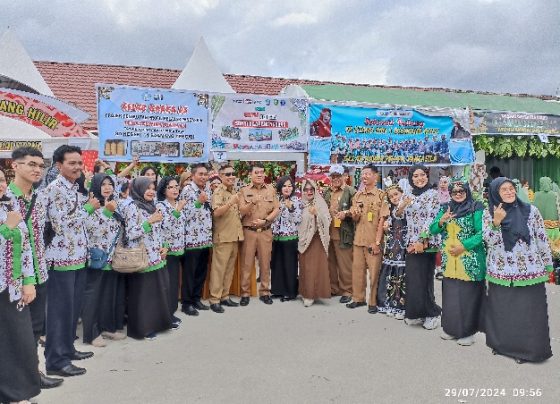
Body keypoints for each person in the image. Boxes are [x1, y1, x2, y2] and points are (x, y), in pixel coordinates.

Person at [6, 147, 63, 389]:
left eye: (40, 165)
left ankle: (33, 373)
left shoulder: (38, 199)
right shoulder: (5, 199)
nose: (37, 169)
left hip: (40, 273)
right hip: (14, 279)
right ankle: (15, 382)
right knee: (14, 334)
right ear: (14, 166)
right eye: (31, 164)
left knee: (35, 329)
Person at [44, 145, 100, 377]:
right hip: (61, 259)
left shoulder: (75, 188)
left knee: (72, 310)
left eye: (79, 163)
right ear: (59, 165)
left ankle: (67, 349)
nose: (77, 167)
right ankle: (56, 360)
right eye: (72, 163)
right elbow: (61, 223)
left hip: (77, 257)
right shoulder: (55, 189)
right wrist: (88, 209)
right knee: (60, 312)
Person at [483, 177, 553, 363]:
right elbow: (488, 242)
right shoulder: (489, 213)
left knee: (528, 313)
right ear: (495, 193)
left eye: (511, 188)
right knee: (504, 312)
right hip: (501, 272)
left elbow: (541, 239)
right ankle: (504, 346)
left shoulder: (531, 211)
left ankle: (528, 351)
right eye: (503, 189)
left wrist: (548, 265)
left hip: (530, 271)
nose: (509, 192)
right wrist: (496, 223)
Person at [0, 166, 41, 403]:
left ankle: (17, 392)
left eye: (2, 180)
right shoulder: (11, 217)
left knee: (19, 341)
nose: (1, 185)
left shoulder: (9, 208)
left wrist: (29, 282)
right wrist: (7, 228)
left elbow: (25, 249)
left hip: (13, 289)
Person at [429, 178, 486, 346]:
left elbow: (482, 233)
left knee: (469, 298)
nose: (458, 194)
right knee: (451, 297)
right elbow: (433, 229)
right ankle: (451, 329)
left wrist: (464, 246)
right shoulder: (446, 207)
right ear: (450, 193)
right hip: (450, 261)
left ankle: (468, 333)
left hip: (470, 261)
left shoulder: (476, 207)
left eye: (462, 191)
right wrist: (441, 221)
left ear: (467, 192)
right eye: (454, 192)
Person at [123, 177, 174, 339]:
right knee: (143, 296)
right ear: (138, 189)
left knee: (156, 293)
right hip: (142, 257)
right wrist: (149, 222)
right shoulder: (132, 207)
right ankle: (142, 329)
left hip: (157, 256)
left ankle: (157, 324)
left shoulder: (154, 206)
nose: (151, 191)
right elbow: (130, 234)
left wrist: (165, 245)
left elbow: (161, 230)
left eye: (153, 188)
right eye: (147, 188)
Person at [400, 165, 442, 330]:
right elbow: (398, 214)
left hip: (426, 243)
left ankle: (432, 313)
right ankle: (416, 312)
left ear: (427, 176)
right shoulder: (408, 194)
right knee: (413, 279)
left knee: (424, 279)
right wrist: (403, 205)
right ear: (411, 178)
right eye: (416, 176)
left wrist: (422, 240)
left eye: (422, 175)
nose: (419, 178)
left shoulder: (433, 194)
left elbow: (432, 218)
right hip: (411, 242)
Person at [82, 174, 121, 348]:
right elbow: (91, 229)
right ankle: (91, 333)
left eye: (110, 184)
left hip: (111, 258)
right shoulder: (92, 204)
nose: (107, 187)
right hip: (96, 257)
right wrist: (107, 212)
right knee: (93, 297)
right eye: (103, 184)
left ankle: (106, 327)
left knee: (107, 296)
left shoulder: (113, 203)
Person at [346, 164, 387, 313]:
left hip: (373, 242)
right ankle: (358, 298)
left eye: (368, 174)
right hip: (358, 240)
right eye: (363, 174)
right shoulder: (357, 195)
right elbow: (355, 219)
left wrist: (377, 242)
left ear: (376, 176)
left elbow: (383, 221)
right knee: (357, 271)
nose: (364, 176)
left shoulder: (382, 195)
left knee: (375, 273)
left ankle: (373, 301)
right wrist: (354, 214)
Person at [238, 164, 280, 306]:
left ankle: (265, 292)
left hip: (265, 231)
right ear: (251, 175)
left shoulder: (270, 189)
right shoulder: (244, 190)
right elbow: (241, 211)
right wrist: (251, 203)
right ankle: (245, 293)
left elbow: (276, 209)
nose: (260, 175)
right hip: (249, 232)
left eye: (262, 172)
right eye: (256, 172)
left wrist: (265, 220)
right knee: (246, 263)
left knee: (265, 263)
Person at [208, 165, 244, 313]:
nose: (231, 176)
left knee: (229, 270)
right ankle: (214, 299)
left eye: (233, 174)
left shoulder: (234, 191)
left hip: (234, 236)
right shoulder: (218, 192)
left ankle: (224, 296)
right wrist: (230, 202)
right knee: (219, 270)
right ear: (221, 176)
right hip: (222, 237)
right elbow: (216, 212)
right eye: (228, 174)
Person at [180, 163, 213, 316]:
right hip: (192, 240)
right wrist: (198, 202)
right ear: (193, 175)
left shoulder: (206, 189)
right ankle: (186, 303)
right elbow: (184, 215)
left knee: (201, 271)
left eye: (205, 174)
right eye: (200, 174)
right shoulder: (187, 190)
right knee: (190, 273)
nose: (203, 177)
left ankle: (196, 298)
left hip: (205, 238)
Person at [156, 176, 186, 323]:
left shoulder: (177, 203)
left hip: (179, 248)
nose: (175, 189)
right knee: (168, 284)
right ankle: (166, 314)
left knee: (174, 282)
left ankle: (171, 312)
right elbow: (164, 226)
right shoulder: (161, 205)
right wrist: (178, 210)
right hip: (167, 250)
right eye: (171, 187)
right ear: (163, 190)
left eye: (176, 186)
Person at [324, 165, 355, 304]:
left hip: (344, 233)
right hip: (328, 234)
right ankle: (334, 288)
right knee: (330, 263)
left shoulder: (351, 192)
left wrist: (346, 213)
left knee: (345, 264)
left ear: (344, 177)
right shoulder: (326, 192)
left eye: (338, 176)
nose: (335, 179)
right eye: (333, 176)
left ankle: (347, 290)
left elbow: (356, 209)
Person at [298, 179, 331, 307]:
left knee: (316, 268)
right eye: (306, 189)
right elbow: (297, 221)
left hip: (317, 238)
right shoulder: (301, 203)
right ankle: (305, 293)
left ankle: (312, 295)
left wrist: (317, 213)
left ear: (315, 190)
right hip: (304, 239)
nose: (309, 191)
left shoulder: (320, 202)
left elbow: (328, 219)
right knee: (305, 268)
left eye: (311, 189)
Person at [377, 182, 407, 320]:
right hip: (392, 247)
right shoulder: (390, 211)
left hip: (404, 247)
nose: (394, 198)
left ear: (402, 193)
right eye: (391, 196)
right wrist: (386, 228)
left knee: (402, 276)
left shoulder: (408, 208)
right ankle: (389, 304)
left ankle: (401, 306)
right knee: (391, 274)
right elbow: (389, 228)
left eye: (396, 194)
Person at [270, 176, 302, 302]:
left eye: (289, 186)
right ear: (280, 187)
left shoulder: (296, 201)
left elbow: (298, 219)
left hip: (290, 237)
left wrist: (291, 208)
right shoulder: (277, 200)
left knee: (289, 265)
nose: (287, 188)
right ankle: (278, 290)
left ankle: (290, 292)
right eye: (284, 186)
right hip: (277, 237)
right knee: (277, 264)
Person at [532, 177, 560, 258]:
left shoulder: (536, 194)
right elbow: (558, 209)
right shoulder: (554, 194)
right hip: (554, 225)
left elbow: (534, 210)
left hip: (540, 225)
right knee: (555, 248)